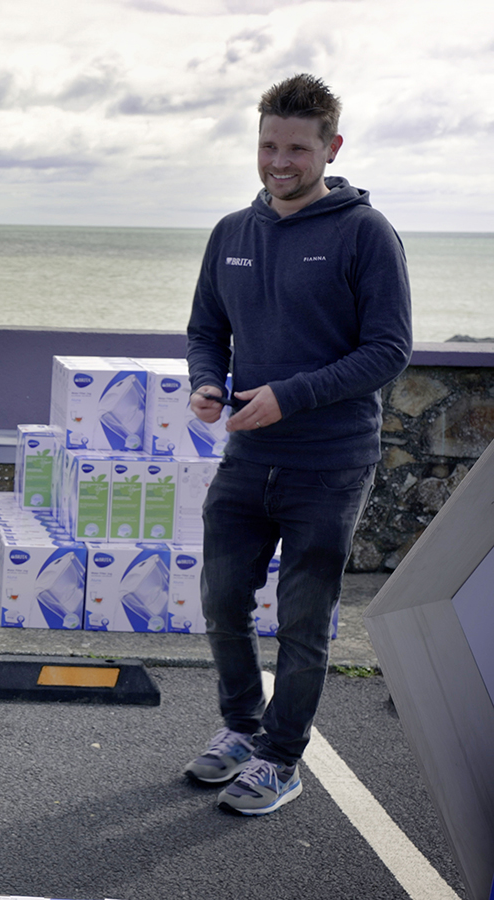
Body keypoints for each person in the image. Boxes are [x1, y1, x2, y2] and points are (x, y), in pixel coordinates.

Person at [182, 73, 412, 815]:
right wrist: (208, 382)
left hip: (331, 464)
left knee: (304, 623)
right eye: (268, 145)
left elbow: (388, 351)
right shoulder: (232, 233)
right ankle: (244, 731)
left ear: (331, 147)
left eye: (297, 148)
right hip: (248, 458)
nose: (279, 161)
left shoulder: (364, 234)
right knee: (222, 603)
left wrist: (289, 396)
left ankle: (282, 761)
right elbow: (205, 329)